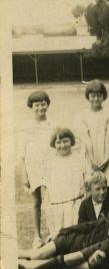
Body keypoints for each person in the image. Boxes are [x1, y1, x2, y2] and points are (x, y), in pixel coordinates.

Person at [18, 200, 109, 269]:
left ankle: (22, 265)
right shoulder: (103, 222)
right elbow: (82, 227)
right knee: (36, 254)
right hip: (71, 240)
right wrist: (60, 232)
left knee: (51, 264)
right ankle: (11, 254)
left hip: (78, 253)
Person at [16, 90, 55, 248]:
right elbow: (22, 153)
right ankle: (37, 236)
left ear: (47, 104)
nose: (40, 107)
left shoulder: (52, 124)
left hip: (50, 165)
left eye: (43, 104)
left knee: (52, 200)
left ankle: (53, 232)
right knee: (36, 201)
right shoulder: (26, 126)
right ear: (31, 106)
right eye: (37, 105)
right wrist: (24, 174)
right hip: (33, 166)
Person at [46, 128, 88, 238]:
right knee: (59, 234)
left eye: (66, 141)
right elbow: (48, 189)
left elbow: (85, 182)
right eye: (58, 142)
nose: (63, 145)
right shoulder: (51, 163)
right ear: (54, 144)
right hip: (57, 205)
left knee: (74, 233)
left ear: (71, 141)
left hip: (75, 203)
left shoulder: (78, 159)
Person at [76, 79, 109, 187]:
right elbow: (86, 139)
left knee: (107, 183)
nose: (96, 99)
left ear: (104, 96)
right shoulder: (82, 115)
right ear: (88, 96)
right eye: (93, 96)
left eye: (99, 95)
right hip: (89, 153)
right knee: (91, 183)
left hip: (106, 151)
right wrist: (92, 159)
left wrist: (107, 158)